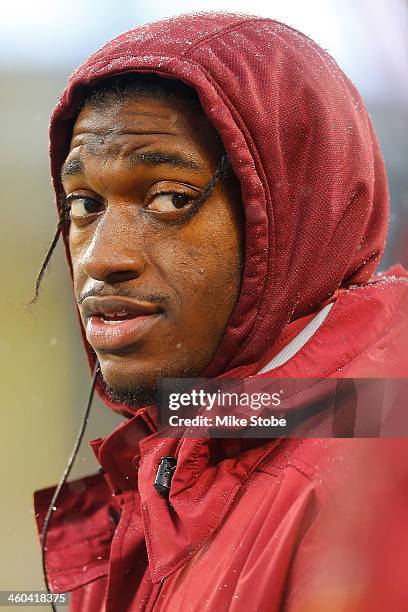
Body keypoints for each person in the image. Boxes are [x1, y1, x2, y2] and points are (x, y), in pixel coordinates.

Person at [33, 12, 408, 612]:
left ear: (295, 214)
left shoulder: (360, 492)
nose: (103, 257)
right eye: (84, 203)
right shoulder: (196, 446)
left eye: (169, 198)